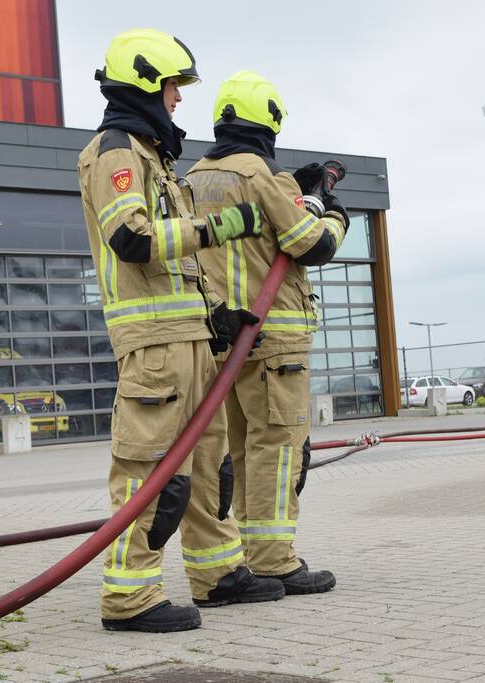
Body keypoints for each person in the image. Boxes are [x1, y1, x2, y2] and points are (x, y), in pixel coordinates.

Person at [77, 32, 285, 634]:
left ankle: (218, 573)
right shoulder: (115, 153)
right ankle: (129, 596)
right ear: (145, 84)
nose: (177, 101)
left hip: (187, 337)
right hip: (155, 348)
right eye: (172, 88)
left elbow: (176, 265)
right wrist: (221, 226)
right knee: (149, 470)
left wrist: (217, 314)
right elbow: (134, 240)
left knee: (207, 463)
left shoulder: (153, 160)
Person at [186, 70, 348, 595]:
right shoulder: (260, 175)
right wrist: (334, 212)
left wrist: (294, 189)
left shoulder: (192, 177)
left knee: (235, 451)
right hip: (275, 338)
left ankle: (240, 559)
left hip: (223, 340)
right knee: (278, 448)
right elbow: (309, 243)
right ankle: (274, 560)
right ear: (269, 122)